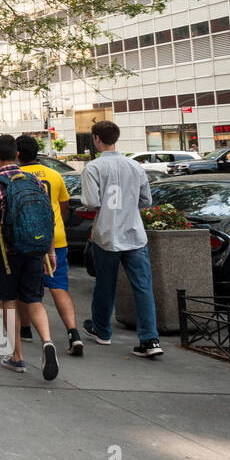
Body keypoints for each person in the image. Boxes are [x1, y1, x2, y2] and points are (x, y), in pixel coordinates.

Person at [0, 135, 59, 381]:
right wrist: (50, 251)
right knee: (34, 300)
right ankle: (47, 341)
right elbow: (48, 217)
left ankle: (17, 356)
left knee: (8, 302)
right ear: (16, 154)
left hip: (7, 252)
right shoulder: (33, 179)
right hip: (35, 249)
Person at [79, 120, 163, 357]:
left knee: (105, 284)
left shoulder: (93, 168)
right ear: (116, 138)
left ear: (96, 138)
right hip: (134, 233)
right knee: (143, 287)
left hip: (107, 234)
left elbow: (91, 202)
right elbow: (146, 201)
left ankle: (102, 330)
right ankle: (150, 339)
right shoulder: (135, 166)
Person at [16, 135, 84, 357]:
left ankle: (26, 329)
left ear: (17, 154)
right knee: (59, 286)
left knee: (25, 287)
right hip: (56, 237)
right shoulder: (55, 175)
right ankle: (73, 333)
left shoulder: (17, 176)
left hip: (27, 238)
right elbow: (64, 207)